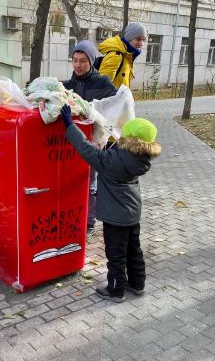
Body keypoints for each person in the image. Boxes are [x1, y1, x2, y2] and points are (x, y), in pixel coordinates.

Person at [59, 104, 162, 302]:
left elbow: (85, 148)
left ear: (128, 138)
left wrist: (69, 125)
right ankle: (137, 284)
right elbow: (116, 156)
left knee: (116, 253)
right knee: (134, 249)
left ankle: (115, 290)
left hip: (115, 217)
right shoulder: (140, 160)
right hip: (132, 212)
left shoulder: (110, 161)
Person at [62, 40, 117, 237]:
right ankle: (71, 217)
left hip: (93, 141)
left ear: (91, 61)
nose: (77, 65)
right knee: (71, 182)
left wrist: (96, 111)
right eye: (75, 60)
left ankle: (88, 223)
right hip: (71, 142)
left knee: (90, 184)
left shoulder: (103, 83)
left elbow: (115, 104)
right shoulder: (67, 85)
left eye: (83, 61)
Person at [97, 22, 147, 89]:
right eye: (138, 39)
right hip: (114, 99)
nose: (141, 44)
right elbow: (101, 87)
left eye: (143, 40)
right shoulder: (116, 56)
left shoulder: (127, 56)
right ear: (129, 38)